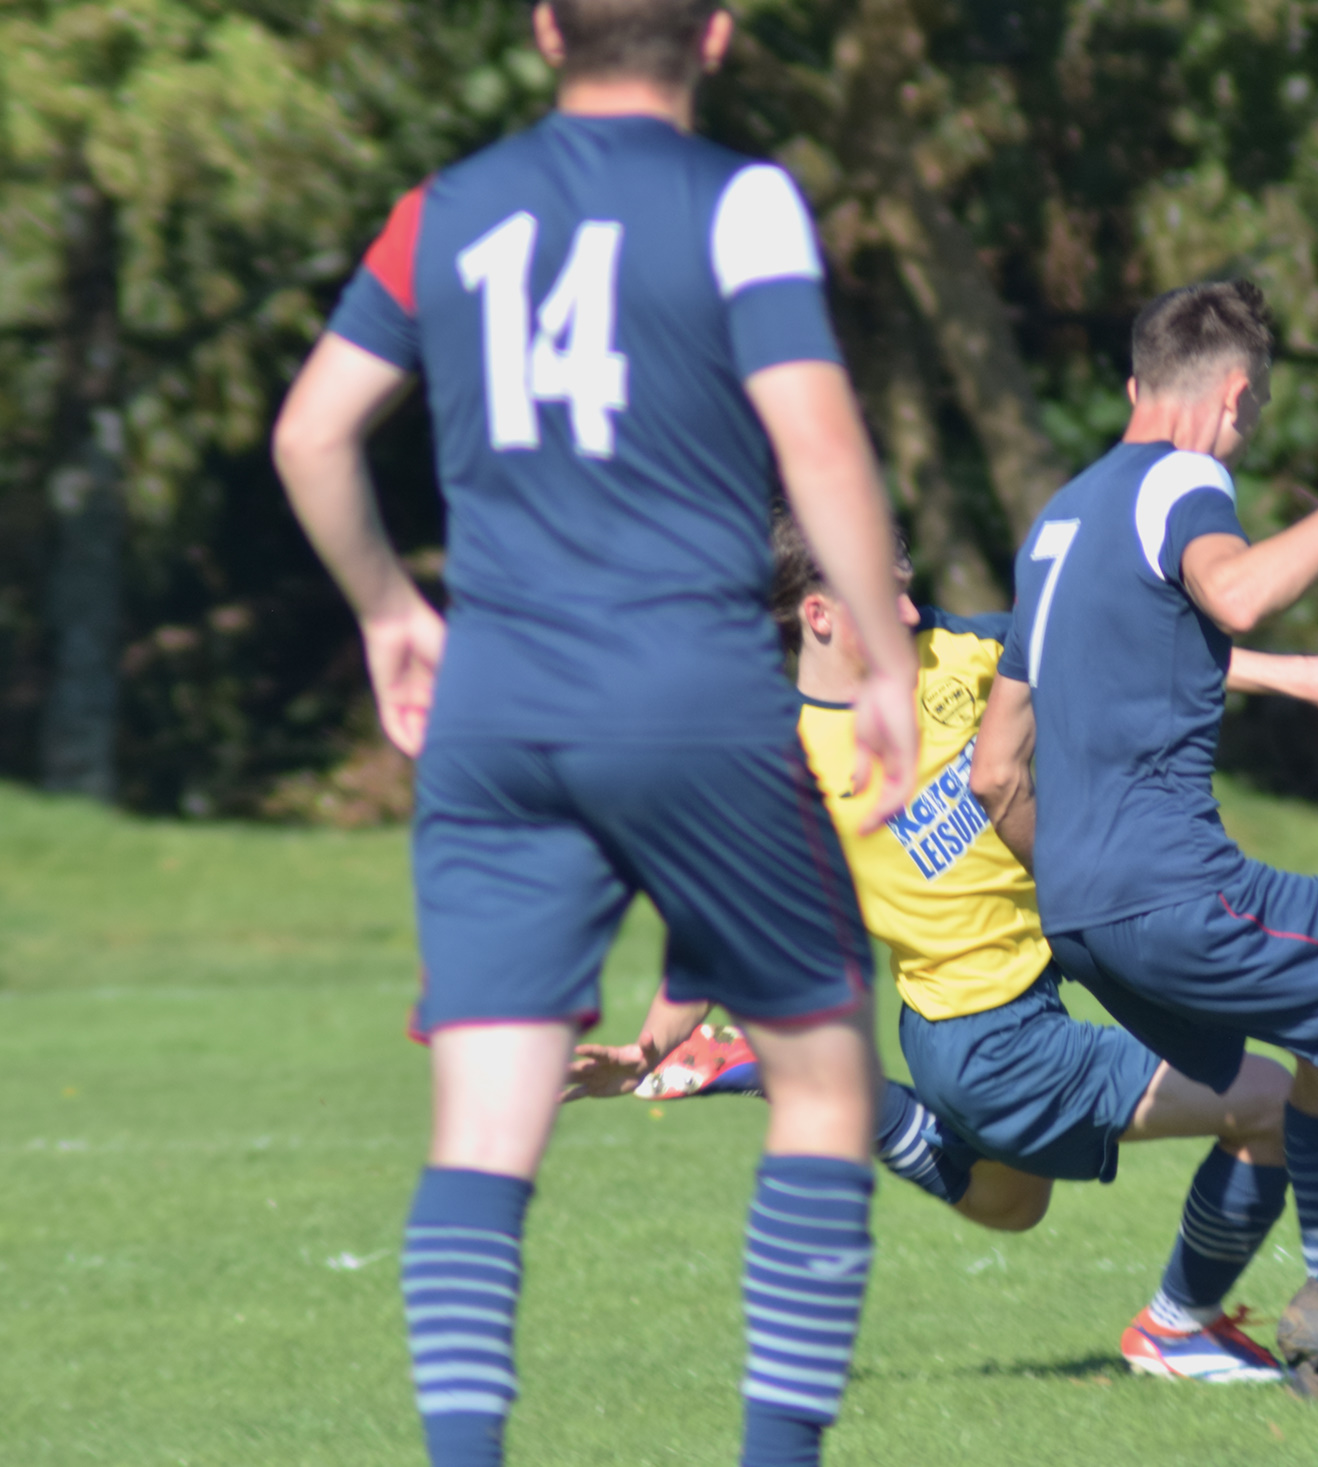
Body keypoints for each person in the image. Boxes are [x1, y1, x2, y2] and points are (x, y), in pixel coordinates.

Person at [269, 5, 917, 1465]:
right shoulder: (740, 202)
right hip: (689, 689)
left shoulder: (441, 210)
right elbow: (817, 440)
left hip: (496, 714)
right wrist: (879, 646)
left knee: (482, 1135)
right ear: (718, 33)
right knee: (819, 1081)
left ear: (547, 26)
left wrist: (388, 607)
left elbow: (312, 432)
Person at [566, 512, 1318, 1386]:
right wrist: (647, 1051)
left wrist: (1308, 674)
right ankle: (1181, 1325)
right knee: (1272, 1104)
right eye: (886, 596)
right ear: (821, 615)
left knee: (1014, 1203)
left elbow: (1131, 663)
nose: (910, 614)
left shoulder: (964, 649)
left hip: (1012, 1001)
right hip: (986, 1041)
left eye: (906, 589)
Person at [970, 281, 1318, 1400]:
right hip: (1177, 892)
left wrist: (1084, 877)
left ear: (1135, 387)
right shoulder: (1185, 476)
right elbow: (1233, 595)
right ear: (1230, 397)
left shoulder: (1058, 520)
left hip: (1081, 912)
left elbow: (994, 767)